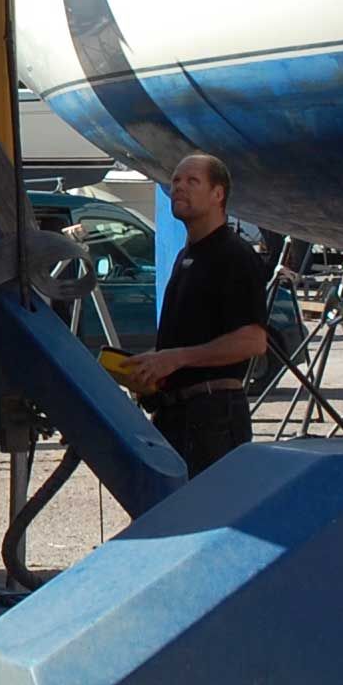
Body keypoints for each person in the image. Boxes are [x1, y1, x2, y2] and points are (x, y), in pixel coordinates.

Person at [121, 154, 268, 477]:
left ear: (219, 194)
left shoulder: (235, 256)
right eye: (175, 181)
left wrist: (176, 359)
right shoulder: (185, 257)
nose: (179, 188)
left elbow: (253, 341)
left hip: (214, 417)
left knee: (207, 515)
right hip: (175, 415)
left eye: (192, 181)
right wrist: (152, 371)